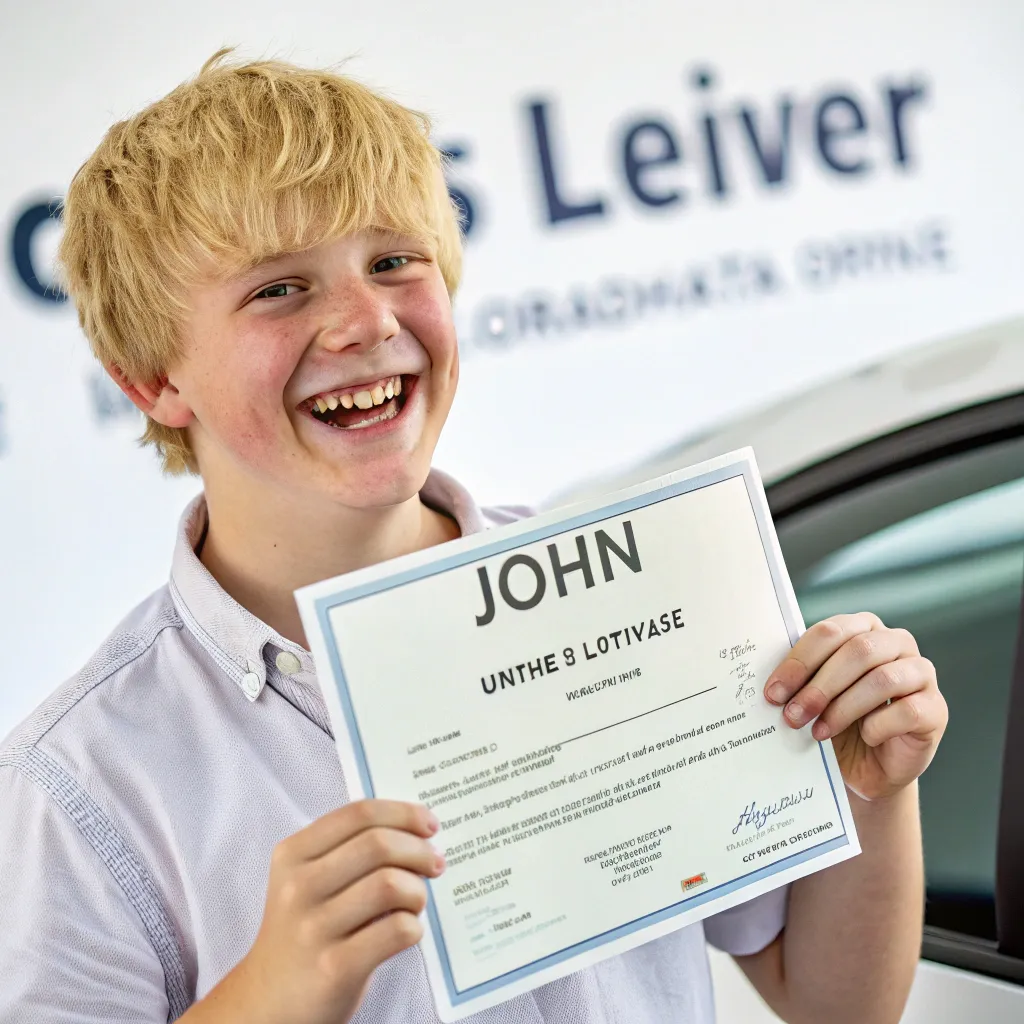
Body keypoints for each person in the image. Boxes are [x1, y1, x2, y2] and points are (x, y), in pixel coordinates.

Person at [0, 50, 947, 1024]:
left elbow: (838, 1008)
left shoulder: (636, 594)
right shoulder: (78, 786)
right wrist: (273, 993)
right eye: (280, 289)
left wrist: (873, 793)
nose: (365, 321)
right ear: (153, 380)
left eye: (393, 262)